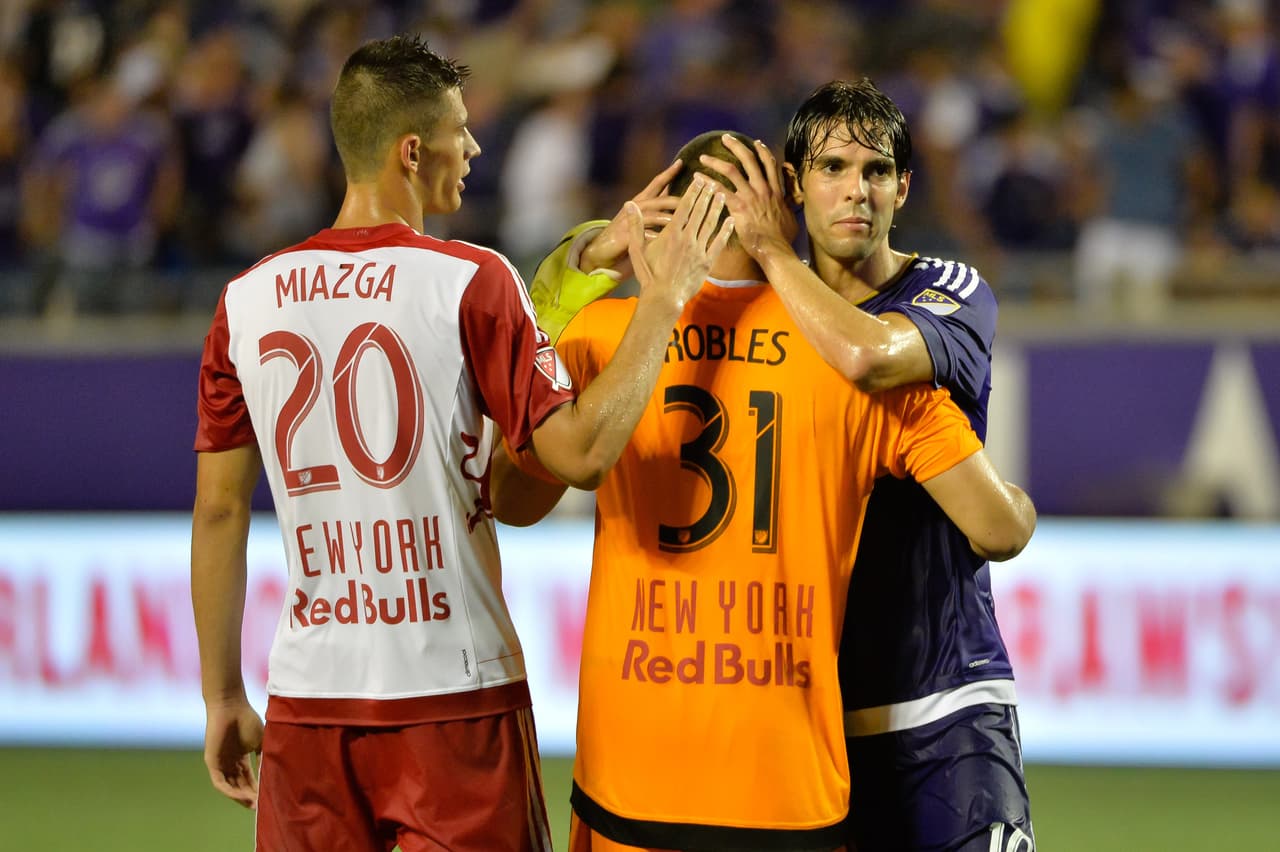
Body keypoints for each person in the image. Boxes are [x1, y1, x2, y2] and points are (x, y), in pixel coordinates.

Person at [190, 35, 730, 852]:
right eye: (461, 131)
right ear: (414, 151)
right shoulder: (470, 281)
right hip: (455, 692)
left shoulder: (247, 300)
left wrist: (222, 695)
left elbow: (220, 515)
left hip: (308, 699)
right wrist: (663, 300)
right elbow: (578, 455)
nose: (473, 148)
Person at [492, 130, 1035, 851]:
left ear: (666, 216)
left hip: (628, 773)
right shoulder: (853, 355)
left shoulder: (598, 340)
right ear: (781, 206)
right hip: (787, 788)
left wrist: (588, 265)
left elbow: (511, 500)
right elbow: (998, 528)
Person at [699, 79, 1037, 851]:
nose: (858, 190)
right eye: (834, 168)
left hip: (948, 704)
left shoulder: (948, 289)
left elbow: (867, 354)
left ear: (903, 186)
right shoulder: (754, 319)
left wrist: (770, 255)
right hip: (809, 719)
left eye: (877, 171)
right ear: (795, 184)